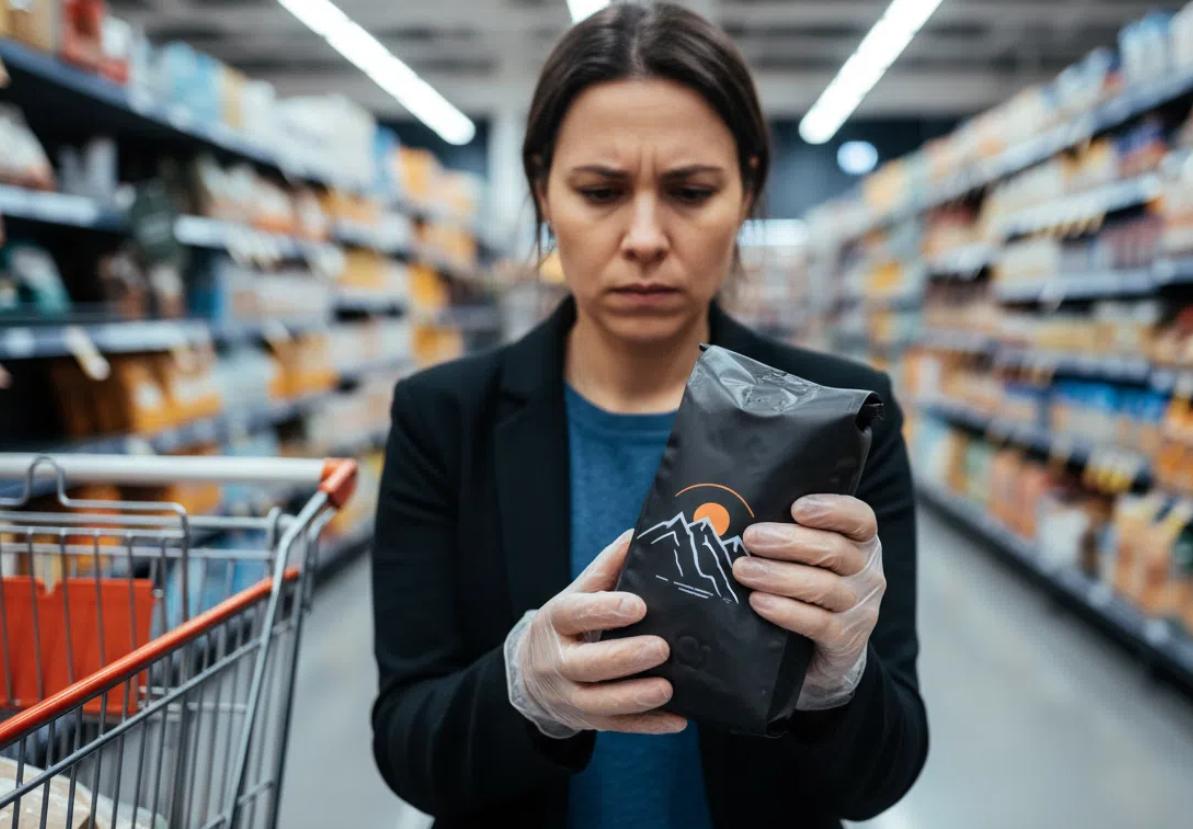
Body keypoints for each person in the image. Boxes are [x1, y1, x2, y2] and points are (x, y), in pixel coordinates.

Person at [370, 4, 928, 827]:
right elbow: (408, 745)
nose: (643, 237)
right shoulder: (443, 419)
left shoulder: (844, 419)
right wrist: (521, 692)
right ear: (542, 193)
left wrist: (838, 688)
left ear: (747, 191)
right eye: (599, 191)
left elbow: (883, 774)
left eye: (691, 190)